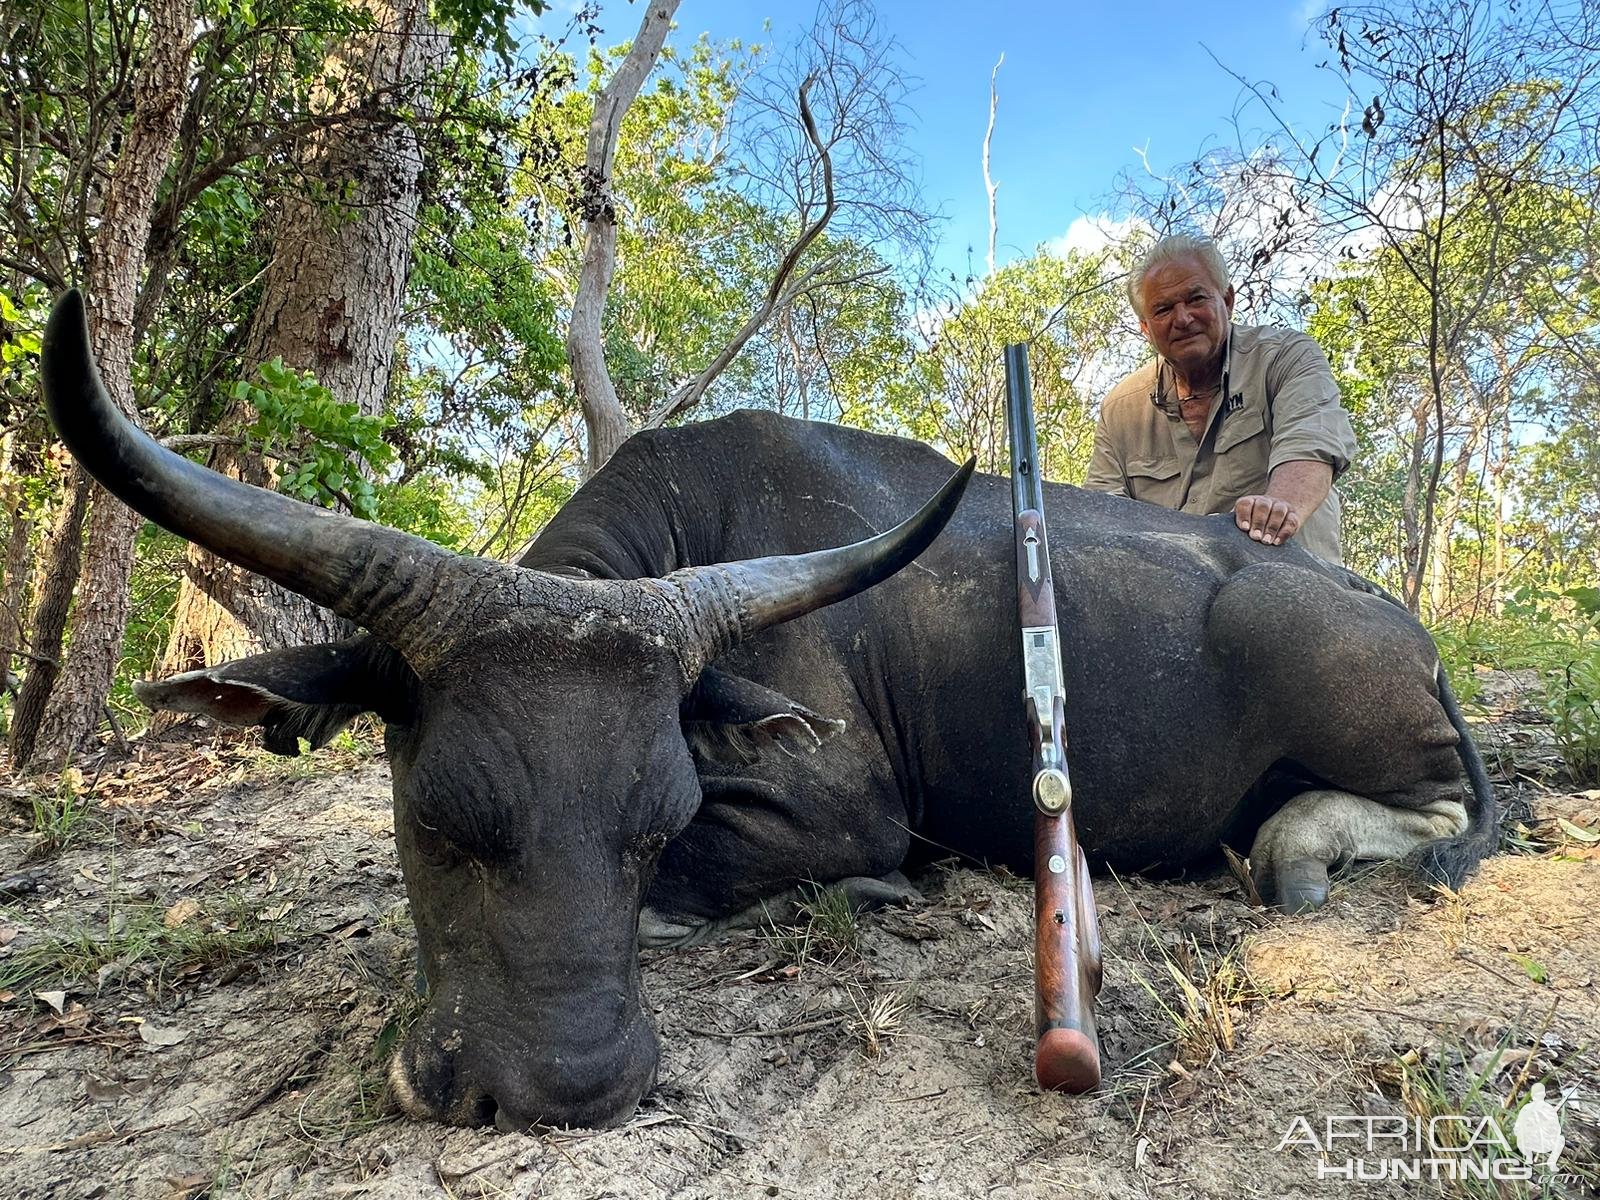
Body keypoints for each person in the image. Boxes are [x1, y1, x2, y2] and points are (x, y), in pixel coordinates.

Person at [1083, 234, 1358, 563]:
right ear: (1145, 327)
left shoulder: (1286, 358)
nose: (1183, 319)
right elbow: (1100, 514)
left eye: (1196, 299)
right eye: (1163, 309)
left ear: (1226, 300)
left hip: (1287, 578)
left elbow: (1311, 444)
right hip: (1170, 594)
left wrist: (1280, 507)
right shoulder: (1120, 408)